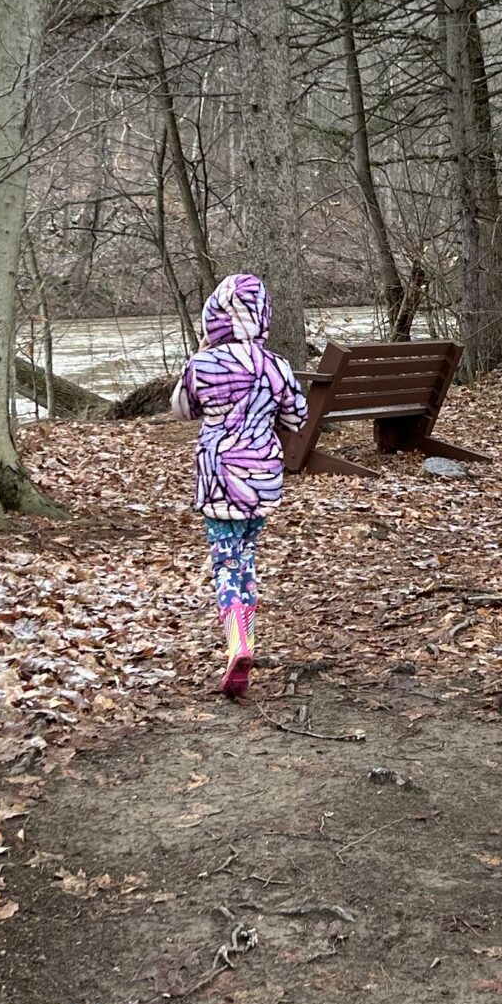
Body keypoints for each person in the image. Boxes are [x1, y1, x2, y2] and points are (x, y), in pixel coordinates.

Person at [171, 272, 308, 700]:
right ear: (263, 316)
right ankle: (244, 639)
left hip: (218, 479)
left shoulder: (203, 364)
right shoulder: (276, 365)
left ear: (215, 317)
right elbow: (297, 419)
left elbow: (181, 409)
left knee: (225, 562)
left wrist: (199, 361)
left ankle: (238, 643)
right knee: (245, 558)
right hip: (262, 478)